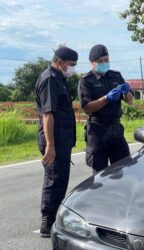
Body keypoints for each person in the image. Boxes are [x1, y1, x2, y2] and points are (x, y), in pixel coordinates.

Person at [34, 46, 78, 238]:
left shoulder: (59, 78)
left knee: (60, 180)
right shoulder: (50, 79)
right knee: (54, 180)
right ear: (59, 62)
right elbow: (48, 113)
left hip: (62, 139)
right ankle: (47, 222)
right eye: (71, 65)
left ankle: (54, 219)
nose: (73, 69)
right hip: (54, 140)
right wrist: (50, 145)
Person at [78, 44, 134, 175]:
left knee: (124, 169)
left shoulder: (116, 76)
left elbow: (130, 101)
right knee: (100, 175)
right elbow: (87, 108)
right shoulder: (86, 80)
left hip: (116, 128)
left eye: (106, 60)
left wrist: (127, 92)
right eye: (100, 61)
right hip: (98, 130)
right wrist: (106, 98)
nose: (104, 63)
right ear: (92, 62)